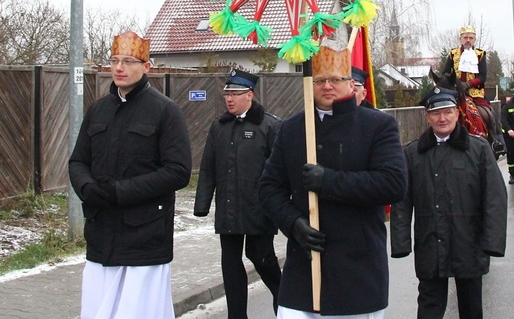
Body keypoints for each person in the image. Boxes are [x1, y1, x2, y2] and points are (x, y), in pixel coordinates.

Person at [258, 45, 408, 318]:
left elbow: (393, 183)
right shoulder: (292, 129)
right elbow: (269, 188)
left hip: (357, 272)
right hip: (304, 270)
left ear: (351, 83)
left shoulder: (377, 126)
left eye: (336, 79)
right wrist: (293, 223)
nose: (327, 86)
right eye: (320, 80)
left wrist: (329, 181)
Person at [69, 31, 192, 319]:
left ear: (146, 66)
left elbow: (178, 172)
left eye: (127, 61)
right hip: (101, 237)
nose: (119, 68)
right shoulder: (98, 110)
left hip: (145, 241)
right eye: (114, 60)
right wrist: (87, 188)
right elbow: (78, 161)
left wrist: (120, 191)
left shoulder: (165, 111)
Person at [390, 87, 507, 319]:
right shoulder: (413, 153)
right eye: (435, 113)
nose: (442, 118)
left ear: (457, 113)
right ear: (427, 116)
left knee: (471, 308)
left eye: (447, 112)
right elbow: (402, 201)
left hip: (469, 243)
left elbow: (494, 197)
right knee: (428, 309)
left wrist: (492, 242)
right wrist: (401, 242)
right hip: (429, 243)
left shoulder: (479, 149)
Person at [193, 69, 282, 318]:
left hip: (259, 210)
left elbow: (280, 171)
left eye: (235, 93)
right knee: (230, 265)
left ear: (250, 95)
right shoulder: (219, 127)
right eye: (227, 94)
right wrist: (202, 205)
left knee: (262, 259)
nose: (229, 99)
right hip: (228, 209)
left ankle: (284, 302)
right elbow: (208, 168)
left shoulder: (270, 126)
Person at [442, 25, 504, 148]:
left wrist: (469, 84)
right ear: (461, 39)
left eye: (471, 38)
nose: (468, 40)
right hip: (455, 92)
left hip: (475, 92)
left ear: (474, 40)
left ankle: (496, 140)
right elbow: (444, 73)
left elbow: (482, 76)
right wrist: (454, 83)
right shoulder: (453, 54)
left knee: (489, 112)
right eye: (465, 37)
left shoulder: (480, 54)